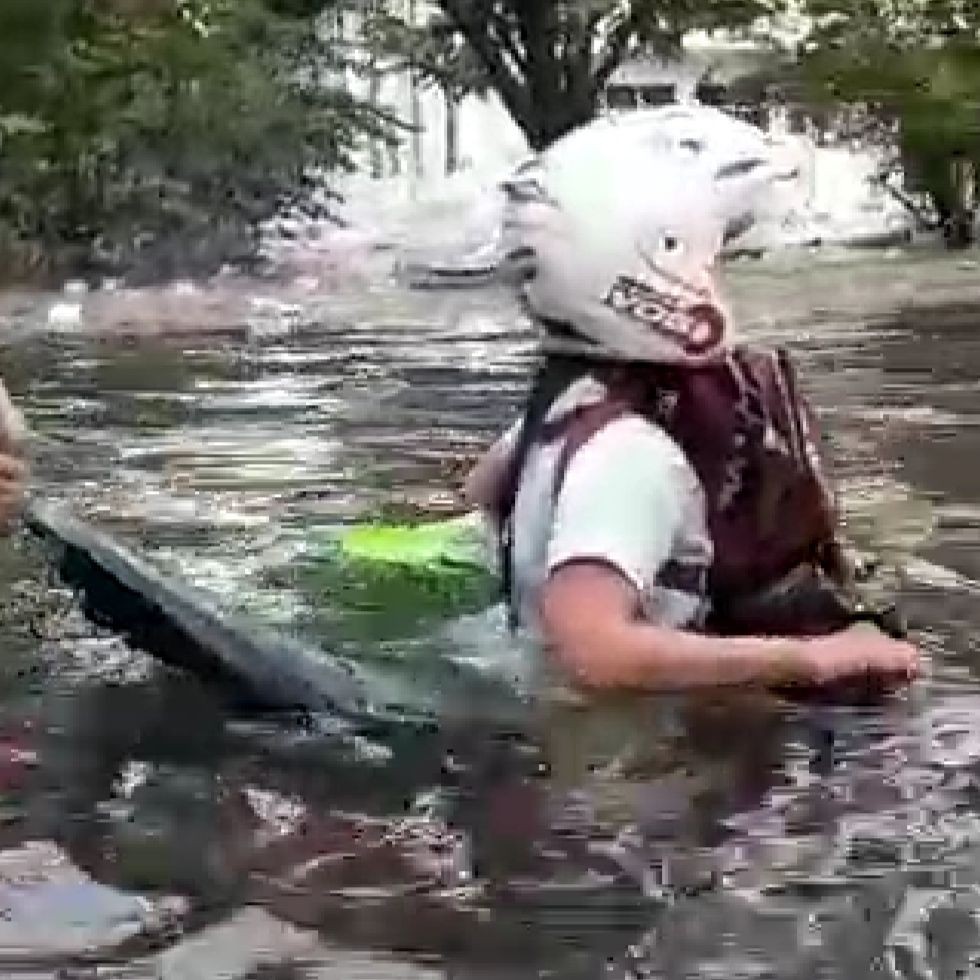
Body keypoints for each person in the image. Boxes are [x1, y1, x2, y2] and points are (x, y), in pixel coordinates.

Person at [464, 106, 919, 694]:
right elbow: (595, 649)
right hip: (625, 768)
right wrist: (816, 659)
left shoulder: (565, 411)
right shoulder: (634, 457)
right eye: (716, 264)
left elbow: (481, 494)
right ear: (652, 271)